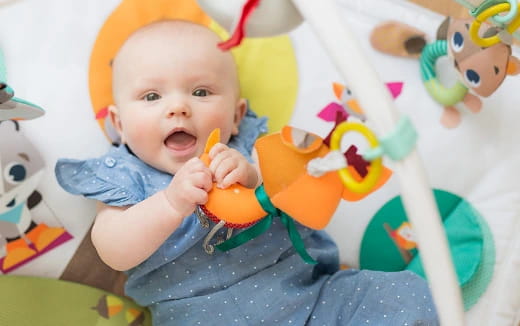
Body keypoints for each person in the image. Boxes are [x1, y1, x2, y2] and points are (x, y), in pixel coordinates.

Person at [56, 20, 439, 325]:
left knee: (405, 295)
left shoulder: (255, 150)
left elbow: (303, 194)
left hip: (311, 299)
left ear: (237, 115)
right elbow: (113, 251)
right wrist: (171, 203)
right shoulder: (123, 178)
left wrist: (257, 177)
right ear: (119, 125)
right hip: (197, 317)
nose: (178, 108)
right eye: (152, 97)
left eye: (201, 92)